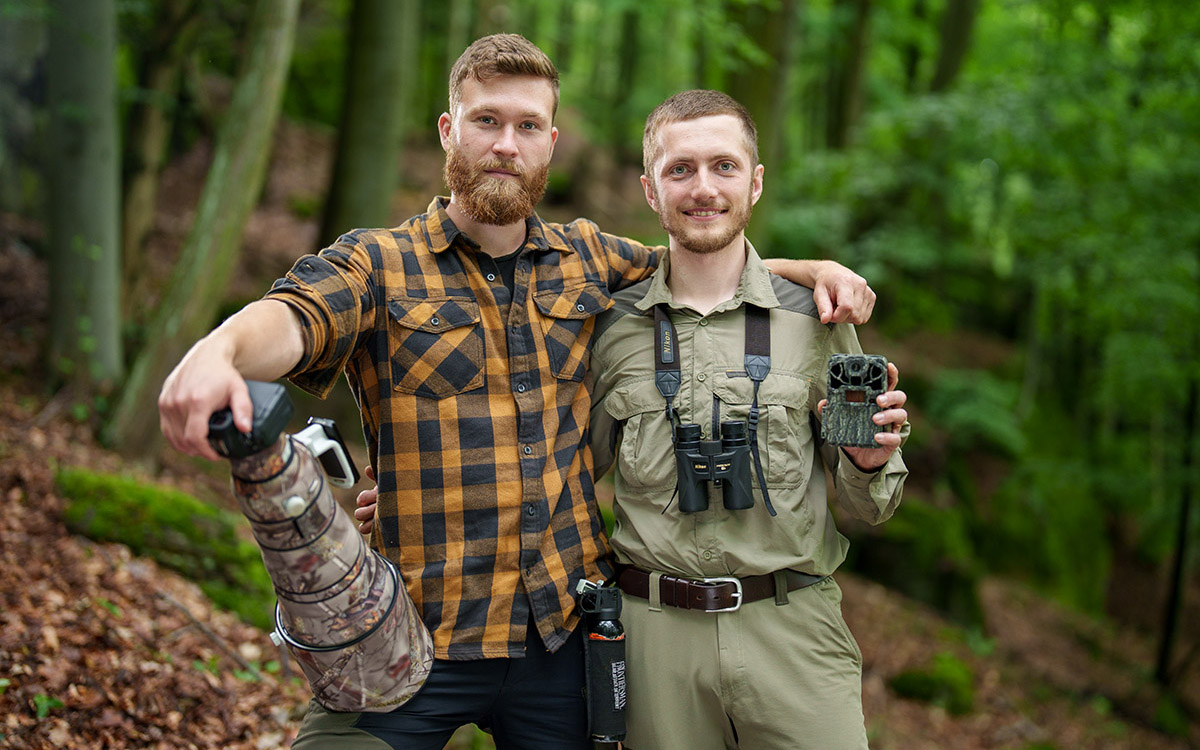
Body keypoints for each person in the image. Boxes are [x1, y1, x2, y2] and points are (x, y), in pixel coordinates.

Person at [159, 35, 875, 749]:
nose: (506, 143)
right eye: (486, 121)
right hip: (413, 633)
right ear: (449, 130)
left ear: (551, 144)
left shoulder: (589, 259)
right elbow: (296, 316)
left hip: (562, 642)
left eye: (527, 126)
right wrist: (218, 351)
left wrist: (814, 269)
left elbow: (700, 261)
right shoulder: (379, 264)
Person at [585, 90, 910, 749]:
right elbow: (559, 474)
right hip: (655, 645)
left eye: (723, 166)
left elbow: (874, 506)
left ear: (755, 182)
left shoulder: (816, 318)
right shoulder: (611, 327)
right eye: (680, 170)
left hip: (793, 634)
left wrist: (867, 463)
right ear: (650, 189)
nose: (703, 187)